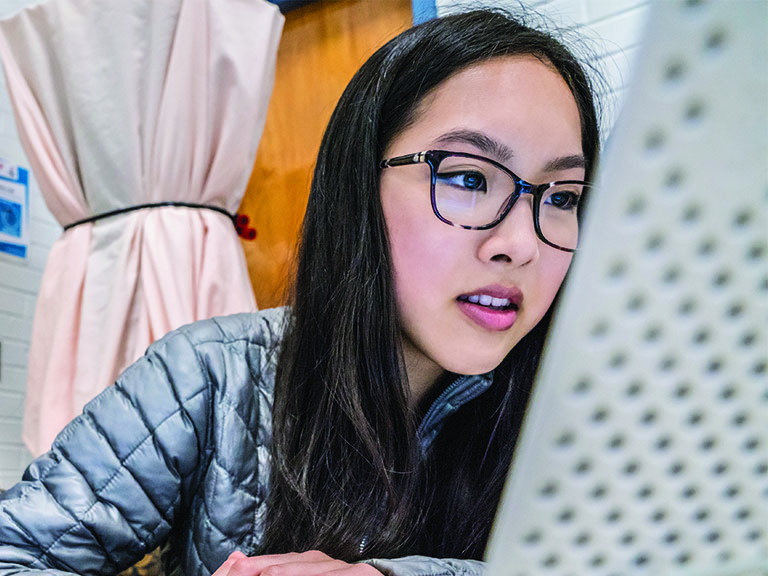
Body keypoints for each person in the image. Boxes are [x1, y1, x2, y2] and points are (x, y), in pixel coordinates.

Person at [0, 8, 599, 576]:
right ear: (358, 184)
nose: (522, 243)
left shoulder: (576, 414)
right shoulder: (211, 375)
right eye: (469, 178)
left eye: (563, 197)